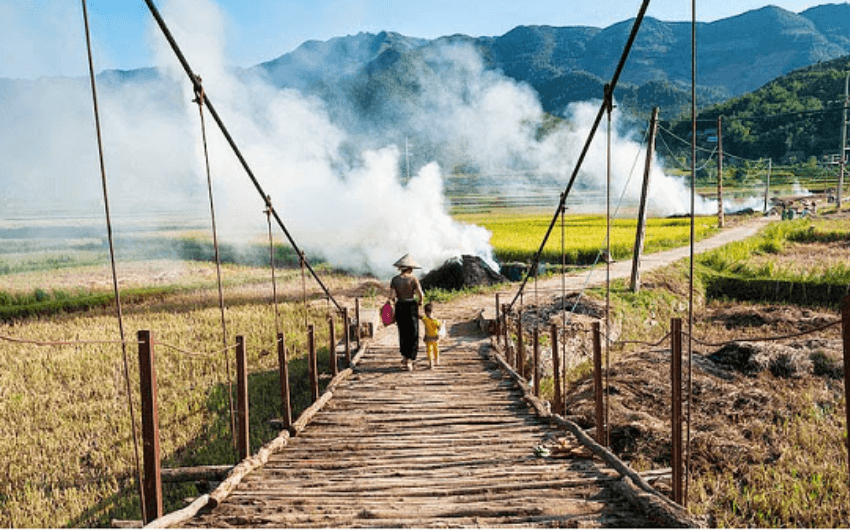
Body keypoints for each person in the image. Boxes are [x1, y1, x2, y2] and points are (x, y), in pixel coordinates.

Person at [388, 254, 424, 371]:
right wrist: (420, 303)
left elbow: (392, 297)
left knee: (402, 332)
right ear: (410, 268)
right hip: (411, 306)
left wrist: (391, 309)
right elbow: (421, 294)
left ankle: (404, 356)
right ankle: (410, 359)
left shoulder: (395, 280)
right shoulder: (413, 279)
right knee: (413, 332)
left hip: (400, 306)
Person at [420, 302, 442, 369]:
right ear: (432, 311)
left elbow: (420, 317)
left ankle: (431, 364)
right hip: (435, 337)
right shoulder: (436, 321)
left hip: (428, 338)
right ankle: (436, 361)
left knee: (429, 350)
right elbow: (440, 328)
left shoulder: (425, 319)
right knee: (435, 349)